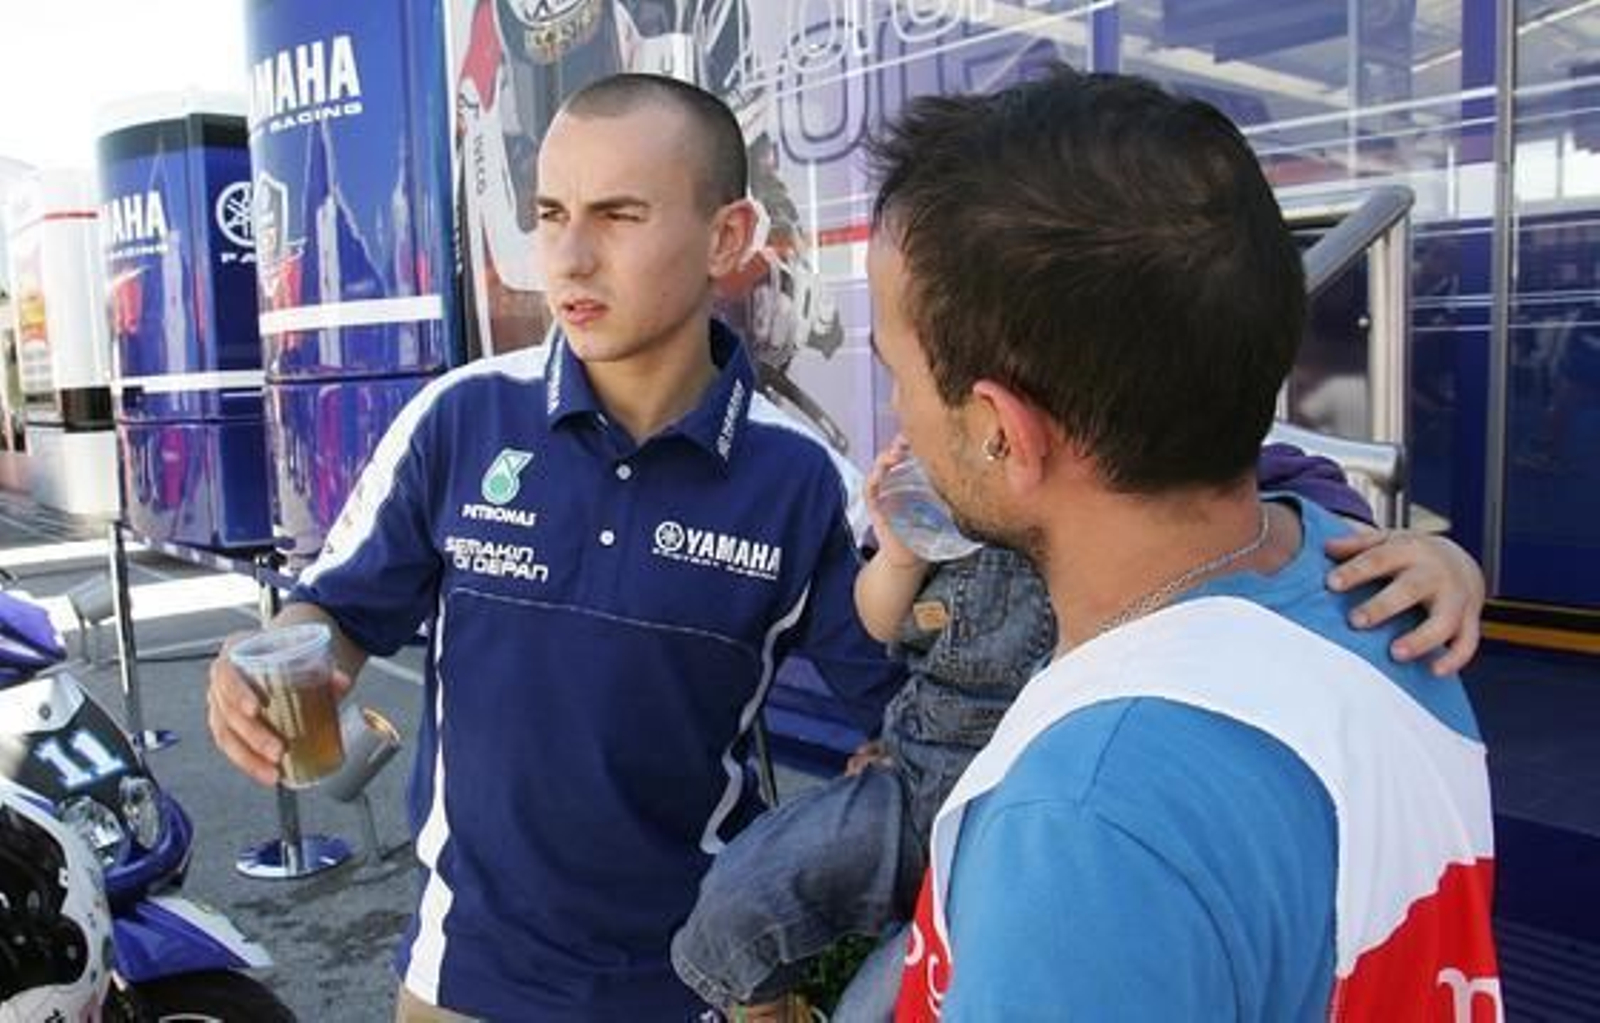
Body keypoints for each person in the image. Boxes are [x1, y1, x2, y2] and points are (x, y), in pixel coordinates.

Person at [206, 73, 903, 1020]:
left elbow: (901, 706)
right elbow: (331, 615)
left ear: (727, 238)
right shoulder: (459, 419)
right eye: (549, 213)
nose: (568, 258)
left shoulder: (803, 478)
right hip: (464, 983)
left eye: (619, 215)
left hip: (700, 985)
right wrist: (261, 664)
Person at [860, 68, 1496, 1019]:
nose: (900, 407)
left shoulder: (1087, 826)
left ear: (1003, 430)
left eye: (898, 370)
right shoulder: (1363, 588)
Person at [671, 439, 1487, 1020]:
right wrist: (896, 547)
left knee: (879, 1003)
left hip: (1021, 809)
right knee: (743, 891)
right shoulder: (939, 489)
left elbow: (1311, 522)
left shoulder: (1174, 469)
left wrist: (1443, 561)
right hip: (911, 779)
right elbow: (881, 622)